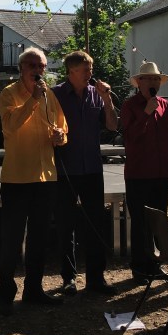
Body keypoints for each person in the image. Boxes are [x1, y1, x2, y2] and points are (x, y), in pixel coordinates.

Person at [0, 47, 68, 316]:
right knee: (12, 238)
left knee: (39, 237)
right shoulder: (9, 93)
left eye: (42, 66)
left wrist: (61, 136)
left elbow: (63, 126)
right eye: (32, 66)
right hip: (17, 178)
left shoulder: (50, 95)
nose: (38, 71)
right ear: (21, 69)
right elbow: (10, 127)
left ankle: (33, 290)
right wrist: (33, 100)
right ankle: (5, 295)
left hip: (46, 177)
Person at [52, 51, 119, 295]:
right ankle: (68, 278)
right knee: (65, 225)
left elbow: (112, 126)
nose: (89, 73)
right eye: (84, 70)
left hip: (91, 168)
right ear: (71, 71)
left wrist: (107, 99)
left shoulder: (96, 94)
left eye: (90, 68)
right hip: (64, 169)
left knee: (96, 224)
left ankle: (96, 278)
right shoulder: (55, 94)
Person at [120, 62, 168, 280]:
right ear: (139, 82)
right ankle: (139, 267)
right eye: (149, 79)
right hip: (138, 174)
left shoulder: (164, 105)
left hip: (161, 174)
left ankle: (154, 265)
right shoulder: (130, 105)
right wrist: (146, 113)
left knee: (157, 221)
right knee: (140, 222)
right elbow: (129, 138)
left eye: (156, 79)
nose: (154, 82)